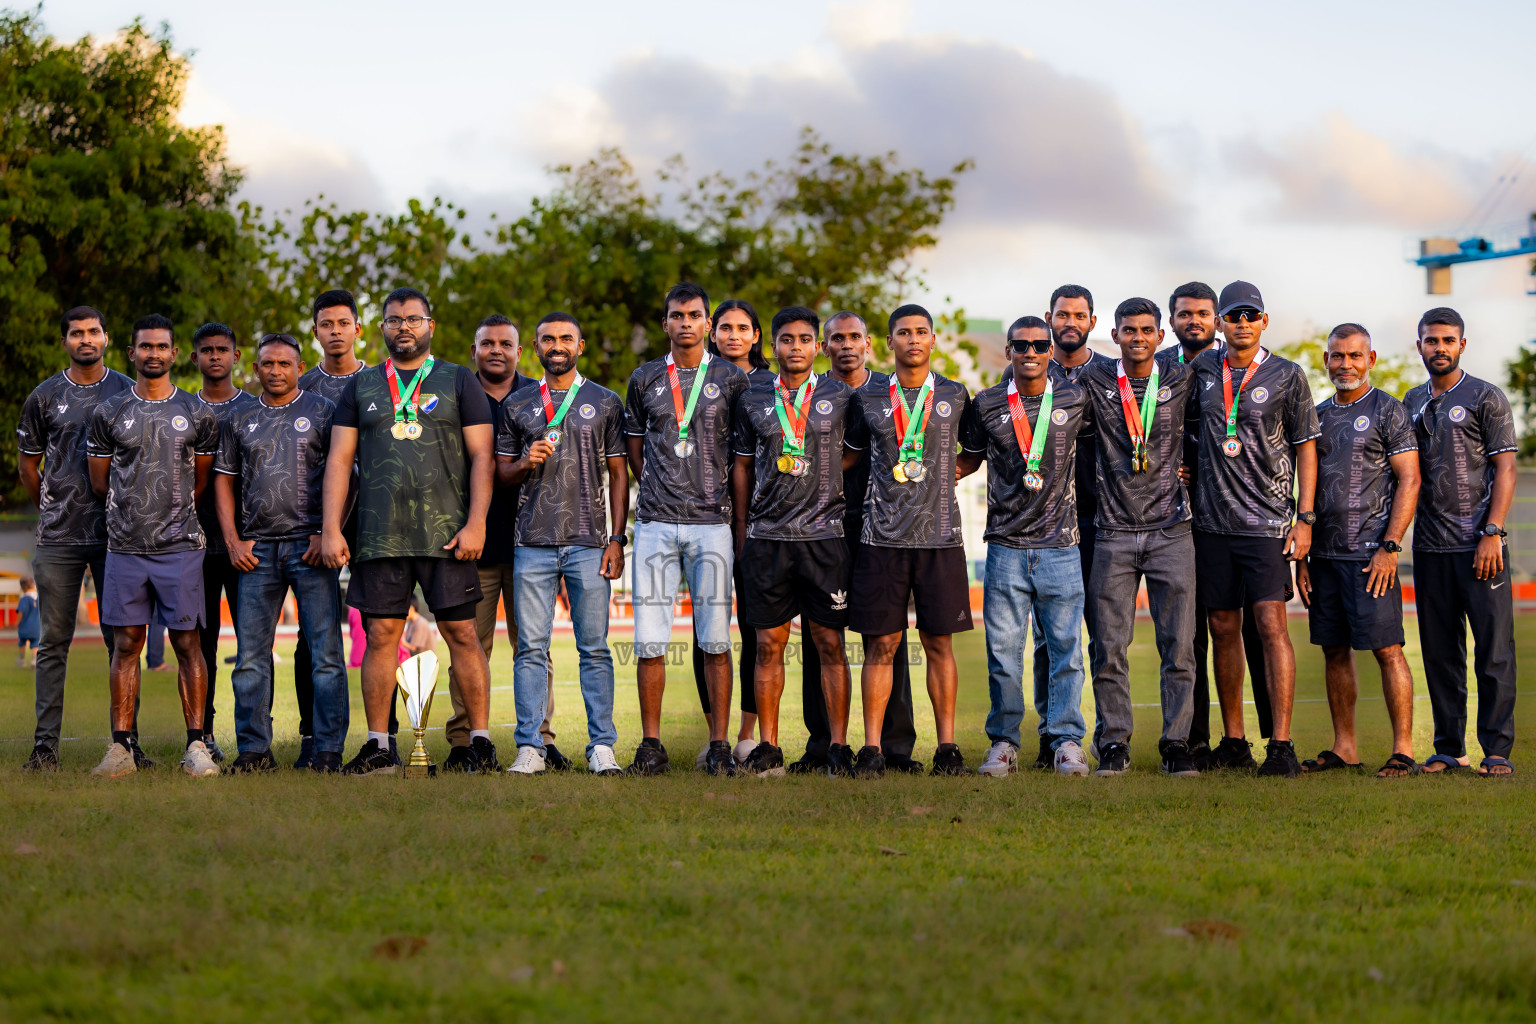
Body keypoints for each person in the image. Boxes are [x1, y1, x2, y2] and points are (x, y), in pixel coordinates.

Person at [319, 287, 501, 775]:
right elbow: (339, 460)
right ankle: (380, 745)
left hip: (447, 533)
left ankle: (478, 744)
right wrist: (331, 528)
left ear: (431, 327)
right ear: (380, 328)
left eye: (414, 319)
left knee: (462, 633)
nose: (404, 327)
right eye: (395, 319)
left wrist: (477, 523)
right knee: (380, 635)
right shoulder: (360, 387)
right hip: (379, 535)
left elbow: (484, 456)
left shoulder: (459, 380)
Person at [1188, 281, 1319, 778]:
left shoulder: (1287, 375)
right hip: (1210, 524)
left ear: (1264, 321)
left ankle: (1281, 744)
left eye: (1251, 315)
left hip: (1266, 523)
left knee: (1270, 627)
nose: (1241, 323)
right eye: (1233, 315)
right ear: (1221, 323)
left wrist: (1304, 518)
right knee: (1222, 629)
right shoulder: (1200, 370)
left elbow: (1307, 447)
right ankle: (1234, 740)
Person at [85, 314, 221, 778]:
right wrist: (133, 516)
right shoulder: (109, 413)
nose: (154, 354)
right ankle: (121, 747)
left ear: (174, 353)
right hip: (124, 546)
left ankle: (197, 747)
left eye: (162, 347)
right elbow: (100, 481)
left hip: (181, 545)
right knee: (127, 643)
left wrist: (172, 513)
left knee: (187, 642)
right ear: (132, 352)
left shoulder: (198, 413)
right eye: (146, 347)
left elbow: (201, 479)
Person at [623, 282, 749, 776]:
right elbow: (635, 448)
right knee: (651, 641)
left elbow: (742, 456)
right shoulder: (645, 377)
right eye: (676, 315)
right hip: (654, 522)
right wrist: (656, 487)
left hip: (712, 523)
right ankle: (651, 744)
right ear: (666, 323)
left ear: (707, 324)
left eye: (695, 315)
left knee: (716, 640)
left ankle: (719, 744)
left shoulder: (731, 379)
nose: (685, 323)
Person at [1072, 298, 1202, 776]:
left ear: (1161, 335)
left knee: (1179, 645)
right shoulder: (1095, 379)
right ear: (1115, 334)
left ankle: (1177, 743)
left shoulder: (1181, 378)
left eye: (1147, 330)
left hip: (1172, 531)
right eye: (1129, 330)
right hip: (1112, 532)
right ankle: (1114, 743)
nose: (1139, 338)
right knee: (1108, 646)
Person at [958, 316, 1092, 776]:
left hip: (1061, 545)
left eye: (1039, 344)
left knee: (1065, 652)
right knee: (1003, 652)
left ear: (1050, 350)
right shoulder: (988, 403)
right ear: (1009, 351)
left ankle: (1066, 741)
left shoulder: (1075, 397)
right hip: (1006, 546)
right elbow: (967, 461)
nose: (1030, 352)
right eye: (1021, 345)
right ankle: (1004, 743)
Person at [496, 312, 629, 776]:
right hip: (531, 542)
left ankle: (601, 747)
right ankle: (530, 746)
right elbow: (501, 473)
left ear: (581, 345)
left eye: (566, 338)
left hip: (590, 542)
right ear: (535, 347)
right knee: (530, 648)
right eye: (548, 339)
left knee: (594, 648)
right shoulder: (516, 405)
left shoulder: (606, 402)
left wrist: (616, 538)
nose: (557, 345)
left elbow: (618, 473)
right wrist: (525, 463)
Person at [845, 303, 974, 778]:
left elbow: (975, 450)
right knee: (881, 645)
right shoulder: (870, 398)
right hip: (881, 540)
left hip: (941, 539)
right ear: (889, 341)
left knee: (939, 645)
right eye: (904, 332)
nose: (913, 340)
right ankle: (873, 750)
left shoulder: (957, 395)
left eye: (922, 332)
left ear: (934, 340)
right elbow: (850, 457)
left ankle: (947, 749)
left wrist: (950, 471)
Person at [793, 312, 922, 774]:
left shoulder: (890, 392)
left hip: (885, 528)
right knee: (820, 635)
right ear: (824, 347)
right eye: (836, 339)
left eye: (853, 337)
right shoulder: (811, 392)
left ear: (868, 343)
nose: (845, 345)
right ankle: (823, 743)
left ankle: (894, 746)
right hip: (822, 526)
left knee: (887, 635)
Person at [730, 307, 857, 776]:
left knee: (829, 643)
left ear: (818, 347)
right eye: (787, 340)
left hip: (825, 537)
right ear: (775, 345)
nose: (796, 347)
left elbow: (856, 453)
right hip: (767, 538)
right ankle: (768, 745)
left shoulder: (841, 395)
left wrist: (818, 476)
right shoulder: (752, 397)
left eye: (805, 339)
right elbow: (742, 466)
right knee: (767, 645)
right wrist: (743, 528)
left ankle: (839, 746)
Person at [215, 333, 349, 773]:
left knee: (325, 655)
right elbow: (223, 481)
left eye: (284, 364)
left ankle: (328, 749)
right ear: (254, 368)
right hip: (257, 553)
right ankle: (254, 750)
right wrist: (233, 541)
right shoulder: (239, 417)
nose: (275, 371)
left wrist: (328, 533)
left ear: (299, 366)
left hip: (311, 550)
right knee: (251, 658)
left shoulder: (323, 411)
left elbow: (348, 473)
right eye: (267, 364)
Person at [1295, 324, 1422, 777]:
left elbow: (1411, 479)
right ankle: (1344, 747)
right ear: (1326, 361)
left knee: (1388, 650)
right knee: (1334, 650)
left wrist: (1390, 547)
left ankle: (1403, 749)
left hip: (1372, 558)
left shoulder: (1388, 410)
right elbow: (1305, 484)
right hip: (1324, 557)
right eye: (1337, 356)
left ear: (1370, 359)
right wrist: (1304, 557)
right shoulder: (1316, 414)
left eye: (1354, 356)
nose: (1345, 364)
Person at [1157, 282, 1273, 766]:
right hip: (1179, 518)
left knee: (1254, 628)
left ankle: (1267, 736)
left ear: (1218, 319)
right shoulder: (1162, 366)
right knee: (1194, 634)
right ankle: (1198, 738)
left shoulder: (1239, 364)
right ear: (1173, 320)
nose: (1195, 321)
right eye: (1185, 314)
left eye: (1203, 313)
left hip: (1241, 515)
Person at [16, 306, 135, 771]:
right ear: (65, 341)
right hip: (59, 537)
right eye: (76, 333)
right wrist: (50, 502)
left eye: (93, 332)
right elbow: (29, 466)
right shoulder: (44, 396)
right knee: (52, 643)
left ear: (106, 338)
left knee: (122, 641)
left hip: (119, 536)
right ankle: (45, 748)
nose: (85, 339)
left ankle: (126, 745)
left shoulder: (129, 391)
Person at [443, 314, 563, 771]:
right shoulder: (451, 396)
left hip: (532, 542)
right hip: (471, 544)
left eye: (505, 344)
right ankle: (465, 741)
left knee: (534, 646)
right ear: (474, 351)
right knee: (468, 646)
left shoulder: (545, 396)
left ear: (521, 350)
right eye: (487, 344)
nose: (496, 350)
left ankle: (541, 741)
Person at [1403, 307, 1518, 776]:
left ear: (1462, 345)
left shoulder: (1486, 396)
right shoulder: (1409, 400)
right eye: (1431, 341)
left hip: (1480, 548)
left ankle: (1496, 751)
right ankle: (1449, 748)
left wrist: (1493, 531)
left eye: (1448, 340)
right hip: (1429, 549)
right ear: (1420, 347)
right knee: (1440, 654)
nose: (1440, 348)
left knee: (1493, 652)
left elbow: (1506, 468)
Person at [1032, 284, 1114, 769]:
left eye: (1079, 315)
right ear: (1049, 318)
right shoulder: (1025, 369)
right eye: (1062, 314)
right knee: (1049, 638)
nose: (1070, 322)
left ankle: (1106, 738)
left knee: (1103, 635)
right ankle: (1051, 734)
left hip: (1102, 519)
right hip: (1046, 523)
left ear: (1092, 321)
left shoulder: (1108, 373)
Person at [291, 289, 370, 768]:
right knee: (313, 634)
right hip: (319, 525)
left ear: (358, 329)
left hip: (377, 522)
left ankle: (386, 737)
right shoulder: (300, 387)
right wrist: (322, 526)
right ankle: (311, 736)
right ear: (316, 330)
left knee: (381, 629)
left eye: (344, 323)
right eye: (326, 324)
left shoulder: (385, 382)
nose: (335, 331)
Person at [696, 298, 773, 766]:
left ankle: (747, 731)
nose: (733, 335)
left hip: (757, 522)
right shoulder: (689, 380)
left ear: (756, 335)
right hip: (703, 518)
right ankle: (715, 735)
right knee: (708, 631)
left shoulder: (769, 384)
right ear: (712, 332)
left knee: (753, 627)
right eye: (725, 327)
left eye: (743, 327)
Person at [192, 322, 257, 762]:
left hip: (247, 549)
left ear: (235, 357)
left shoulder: (256, 408)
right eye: (207, 350)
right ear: (194, 357)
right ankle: (204, 736)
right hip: (193, 547)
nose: (215, 356)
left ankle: (255, 743)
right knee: (201, 645)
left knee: (252, 648)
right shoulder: (179, 406)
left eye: (223, 349)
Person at [16, 577, 39, 668]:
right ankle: (34, 660)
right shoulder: (38, 598)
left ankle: (22, 660)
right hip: (36, 626)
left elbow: (21, 611)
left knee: (22, 642)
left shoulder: (24, 599)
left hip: (25, 625)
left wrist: (18, 621)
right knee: (35, 644)